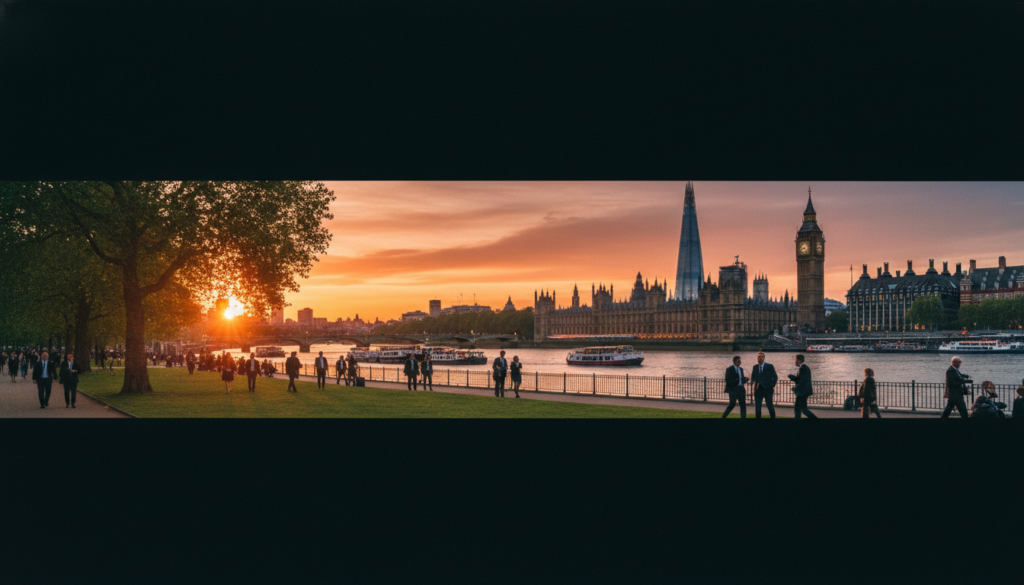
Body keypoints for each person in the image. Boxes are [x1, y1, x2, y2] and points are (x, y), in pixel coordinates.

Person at [788, 354, 817, 419]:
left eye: (795, 359)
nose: (795, 361)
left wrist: (795, 388)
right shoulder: (804, 367)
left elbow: (802, 381)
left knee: (800, 409)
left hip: (802, 392)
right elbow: (801, 379)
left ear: (798, 360)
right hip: (803, 392)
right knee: (802, 409)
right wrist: (794, 378)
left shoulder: (803, 368)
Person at [750, 351, 777, 419]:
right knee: (758, 407)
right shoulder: (755, 367)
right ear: (757, 358)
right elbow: (753, 377)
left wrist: (771, 385)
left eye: (762, 357)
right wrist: (753, 381)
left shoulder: (770, 366)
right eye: (759, 357)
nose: (760, 358)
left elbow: (775, 377)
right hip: (758, 390)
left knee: (770, 406)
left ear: (764, 358)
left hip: (768, 390)